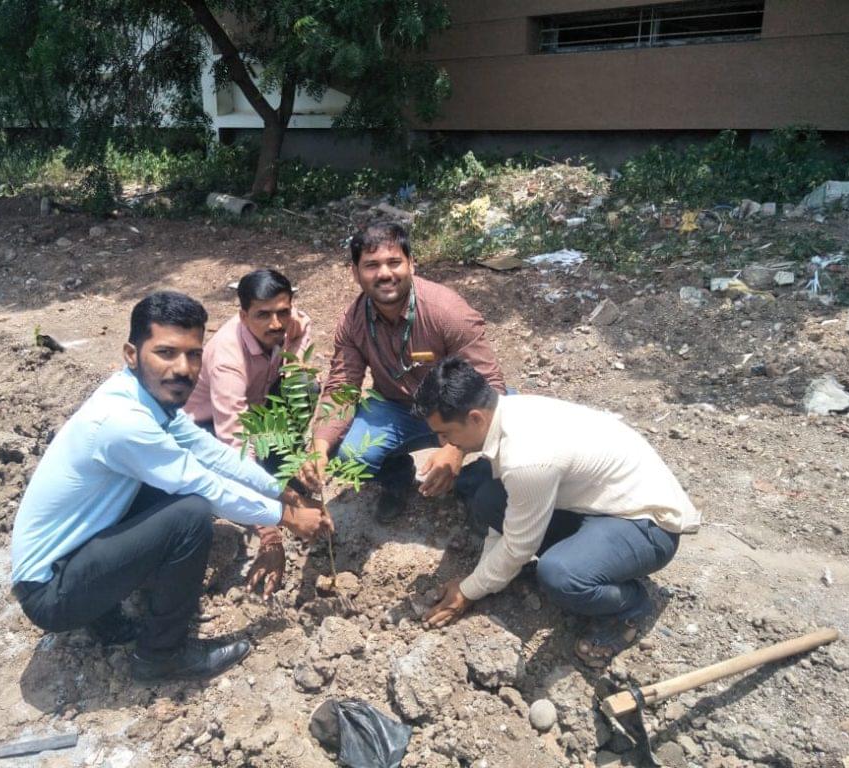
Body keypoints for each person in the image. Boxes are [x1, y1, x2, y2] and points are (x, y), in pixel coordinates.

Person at [10, 291, 332, 682]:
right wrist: (286, 518)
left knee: (171, 492)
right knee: (190, 511)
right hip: (49, 593)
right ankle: (161, 655)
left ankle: (105, 615)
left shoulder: (146, 396)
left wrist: (280, 490)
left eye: (193, 354)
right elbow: (206, 485)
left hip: (71, 562)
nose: (183, 368)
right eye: (166, 352)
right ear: (132, 354)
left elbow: (210, 452)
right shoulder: (123, 420)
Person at [412, 357, 700, 667]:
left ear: (475, 418)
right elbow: (507, 523)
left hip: (648, 525)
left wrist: (467, 592)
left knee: (560, 574)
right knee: (489, 499)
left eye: (446, 433)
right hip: (601, 501)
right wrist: (483, 576)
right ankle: (588, 560)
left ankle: (629, 606)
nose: (445, 444)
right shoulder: (508, 411)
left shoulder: (526, 458)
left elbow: (518, 545)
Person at [300, 222, 506, 522]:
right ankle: (396, 479)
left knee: (508, 424)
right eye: (371, 265)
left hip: (456, 410)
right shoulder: (353, 321)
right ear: (355, 273)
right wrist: (319, 448)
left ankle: (476, 481)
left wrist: (455, 448)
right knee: (344, 453)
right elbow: (342, 388)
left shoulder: (447, 312)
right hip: (399, 410)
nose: (384, 273)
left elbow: (491, 387)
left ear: (411, 264)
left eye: (394, 262)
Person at [183, 268, 312, 598]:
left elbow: (295, 368)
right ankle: (259, 492)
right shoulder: (228, 358)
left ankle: (282, 467)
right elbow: (233, 443)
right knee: (223, 466)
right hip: (207, 428)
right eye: (263, 315)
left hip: (257, 409)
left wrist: (297, 454)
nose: (276, 324)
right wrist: (269, 533)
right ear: (243, 315)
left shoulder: (292, 323)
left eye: (283, 312)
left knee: (305, 386)